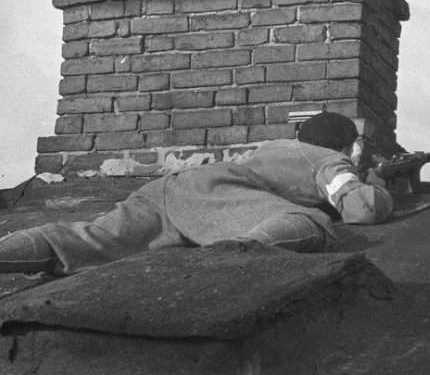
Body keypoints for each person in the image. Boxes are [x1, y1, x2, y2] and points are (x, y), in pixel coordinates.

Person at [0, 112, 393, 275]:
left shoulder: (272, 147)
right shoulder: (328, 159)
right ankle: (223, 262)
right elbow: (361, 209)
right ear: (347, 147)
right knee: (311, 224)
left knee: (87, 240)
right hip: (218, 195)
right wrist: (374, 178)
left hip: (170, 188)